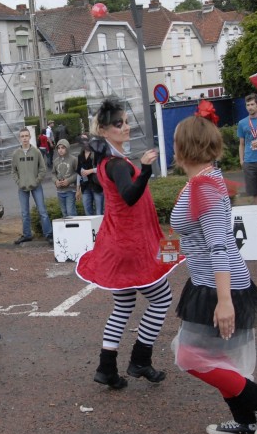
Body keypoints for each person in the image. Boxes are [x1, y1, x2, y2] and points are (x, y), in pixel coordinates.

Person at [169, 108, 257, 434]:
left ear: (184, 148)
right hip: (210, 282)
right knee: (214, 356)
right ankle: (246, 419)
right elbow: (203, 238)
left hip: (221, 285)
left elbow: (219, 245)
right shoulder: (203, 180)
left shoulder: (203, 186)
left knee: (188, 355)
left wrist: (224, 301)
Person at [75, 98, 180, 390]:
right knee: (161, 299)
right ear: (106, 131)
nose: (126, 126)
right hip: (131, 245)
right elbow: (130, 195)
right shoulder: (118, 164)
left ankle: (106, 368)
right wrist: (145, 169)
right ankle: (140, 359)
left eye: (126, 121)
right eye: (119, 123)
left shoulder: (109, 161)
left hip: (118, 242)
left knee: (123, 304)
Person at [11, 128, 53, 245]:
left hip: (36, 186)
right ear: (20, 138)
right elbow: (13, 171)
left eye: (26, 136)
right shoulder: (16, 154)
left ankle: (48, 234)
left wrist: (37, 181)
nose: (24, 138)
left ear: (30, 137)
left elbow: (43, 169)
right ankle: (27, 235)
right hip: (22, 187)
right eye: (22, 136)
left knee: (42, 211)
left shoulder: (36, 152)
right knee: (24, 213)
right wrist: (19, 182)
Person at [77, 136, 104, 215]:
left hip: (97, 185)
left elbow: (102, 167)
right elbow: (79, 173)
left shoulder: (96, 154)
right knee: (87, 212)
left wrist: (90, 171)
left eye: (86, 140)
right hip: (85, 186)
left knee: (99, 212)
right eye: (83, 141)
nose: (85, 143)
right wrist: (78, 189)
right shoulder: (80, 156)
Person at [52, 138, 78, 217]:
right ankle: (67, 229)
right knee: (64, 213)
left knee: (70, 212)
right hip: (60, 191)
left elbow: (78, 173)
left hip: (70, 190)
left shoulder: (73, 159)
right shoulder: (56, 161)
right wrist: (56, 181)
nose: (60, 150)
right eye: (59, 148)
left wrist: (69, 180)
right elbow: (53, 174)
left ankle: (75, 228)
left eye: (63, 148)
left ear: (67, 148)